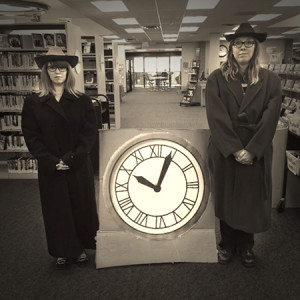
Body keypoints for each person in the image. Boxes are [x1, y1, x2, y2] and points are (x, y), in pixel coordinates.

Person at [206, 23, 282, 267]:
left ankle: (247, 246)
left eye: (248, 43)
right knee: (226, 196)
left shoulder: (271, 80)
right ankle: (226, 244)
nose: (242, 48)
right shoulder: (217, 79)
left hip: (255, 148)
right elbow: (216, 116)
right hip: (226, 147)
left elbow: (271, 118)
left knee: (249, 199)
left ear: (256, 47)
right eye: (237, 43)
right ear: (230, 48)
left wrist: (252, 150)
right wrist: (235, 149)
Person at [21, 47, 99, 269]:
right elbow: (31, 136)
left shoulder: (82, 100)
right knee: (56, 208)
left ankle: (81, 247)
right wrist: (51, 160)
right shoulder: (33, 102)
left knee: (80, 205)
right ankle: (62, 250)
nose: (57, 72)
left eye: (62, 68)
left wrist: (72, 158)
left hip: (77, 163)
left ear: (69, 72)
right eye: (52, 68)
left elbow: (89, 133)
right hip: (50, 165)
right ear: (45, 71)